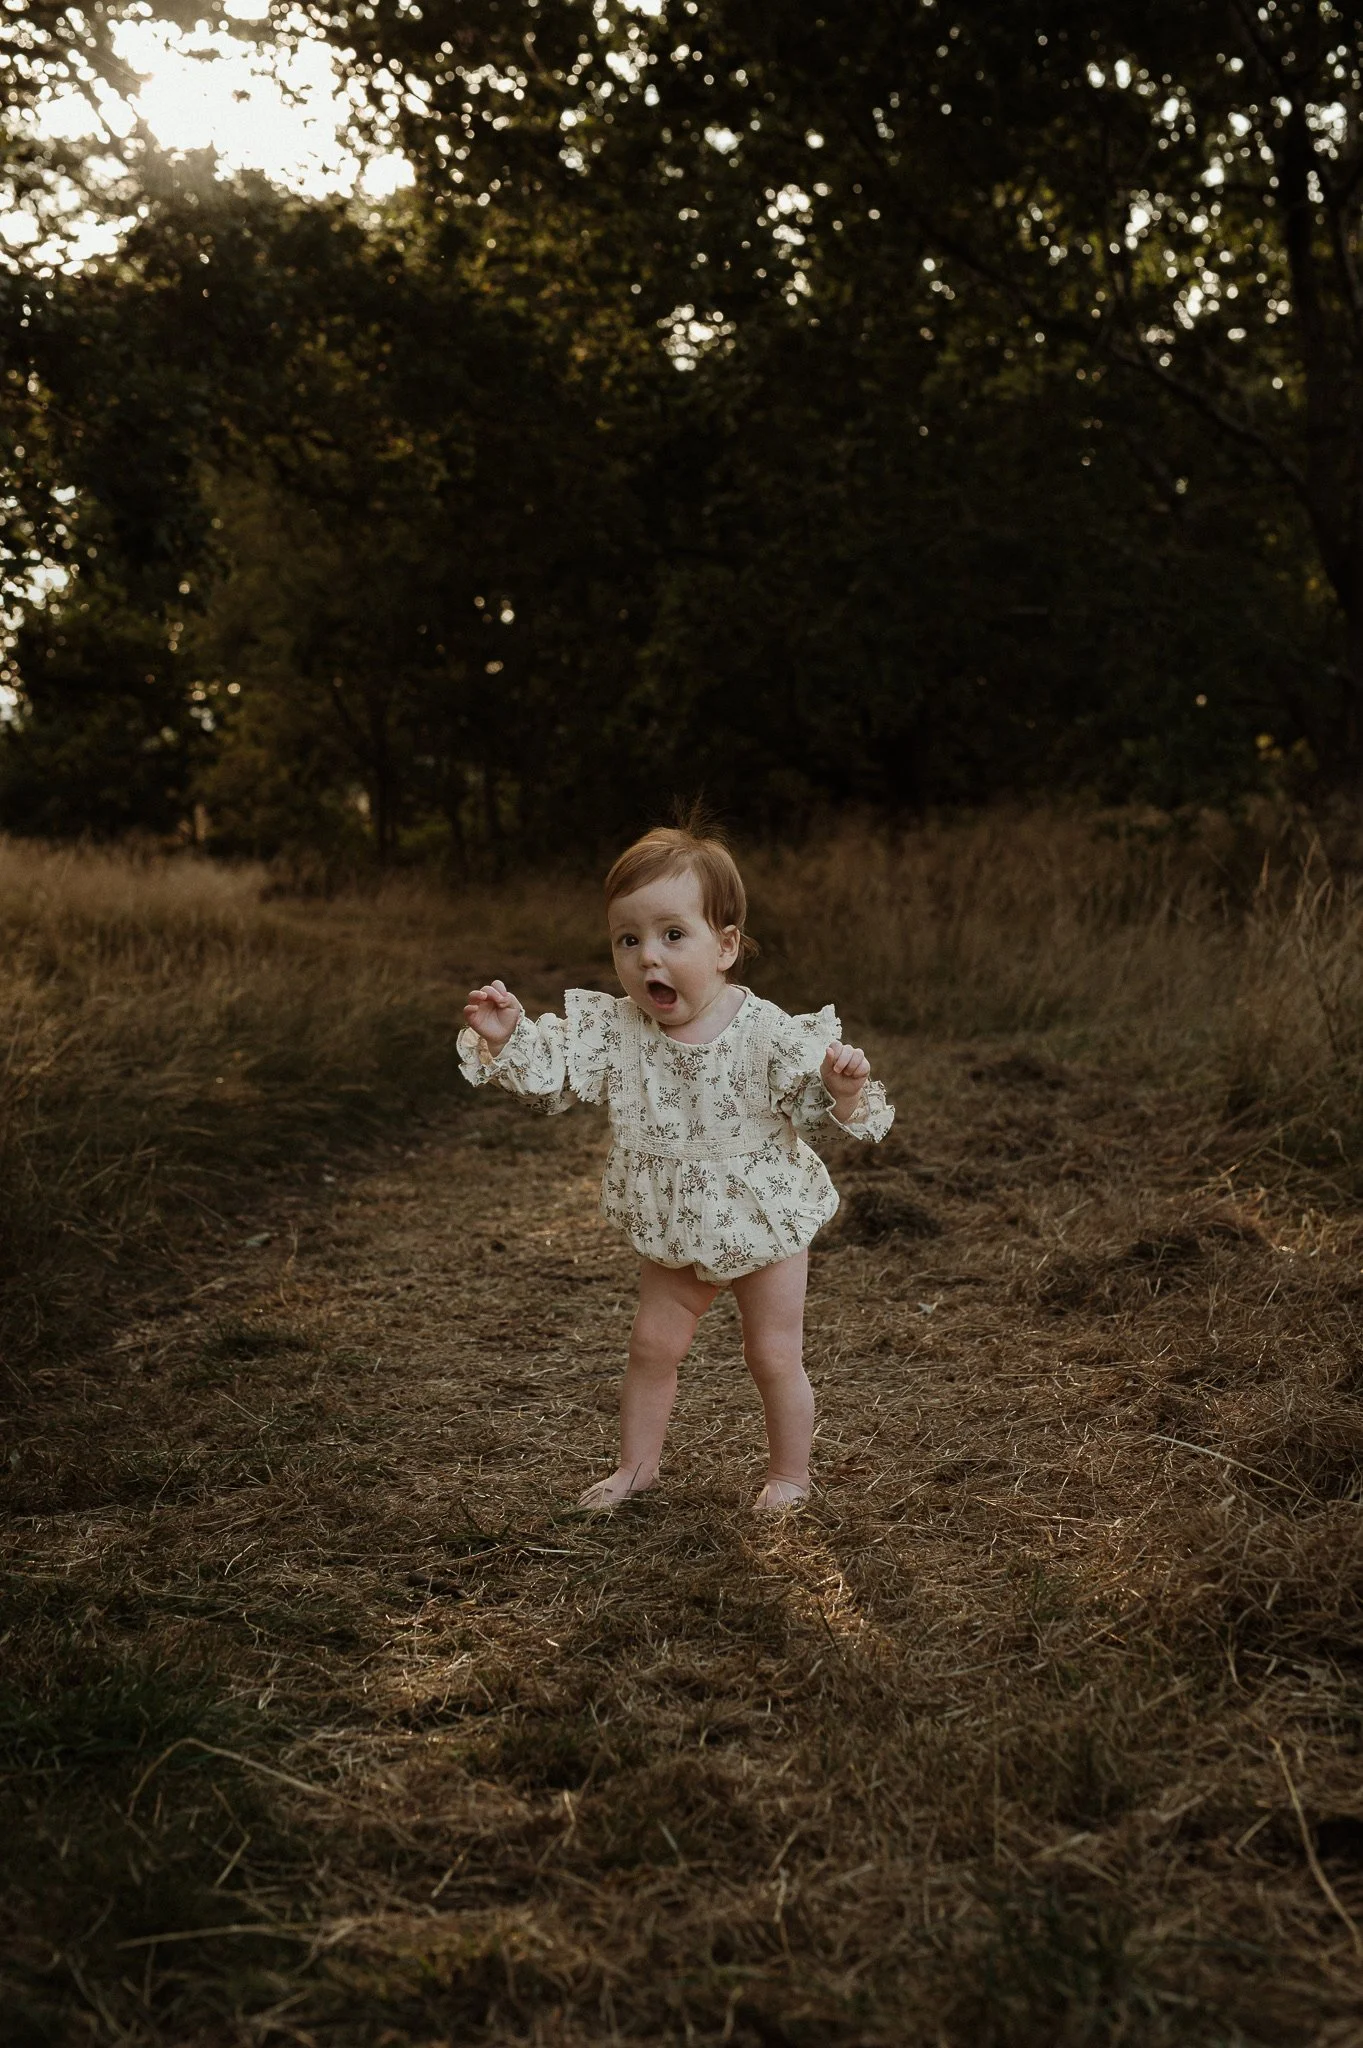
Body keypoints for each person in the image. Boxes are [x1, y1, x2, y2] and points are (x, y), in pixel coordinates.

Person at [458, 823, 894, 1511]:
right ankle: (637, 1466)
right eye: (627, 940)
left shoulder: (765, 1032)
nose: (645, 957)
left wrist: (840, 1087)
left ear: (723, 947)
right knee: (651, 1346)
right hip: (673, 1222)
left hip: (764, 1219)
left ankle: (788, 1476)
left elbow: (813, 1104)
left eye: (670, 935)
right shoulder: (618, 1030)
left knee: (772, 1356)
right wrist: (510, 1035)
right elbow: (557, 1073)